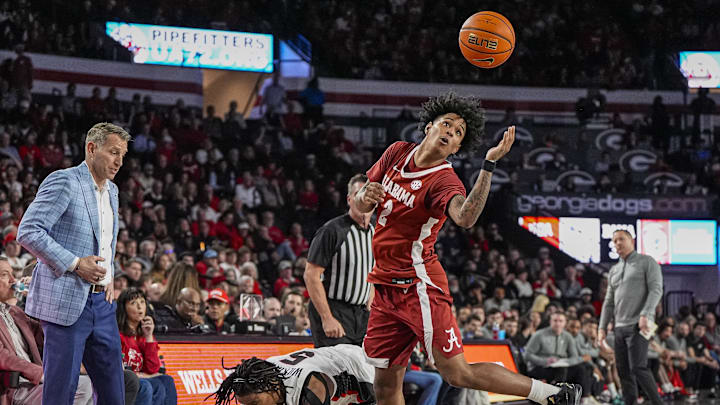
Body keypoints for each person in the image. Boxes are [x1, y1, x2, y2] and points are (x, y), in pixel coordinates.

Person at [355, 92, 580, 405]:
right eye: (447, 124)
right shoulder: (396, 152)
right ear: (429, 126)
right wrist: (366, 197)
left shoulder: (444, 180)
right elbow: (359, 199)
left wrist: (488, 165)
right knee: (385, 386)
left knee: (456, 373)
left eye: (458, 132)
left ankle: (553, 395)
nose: (450, 132)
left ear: (458, 148)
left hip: (418, 284)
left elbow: (465, 217)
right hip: (384, 286)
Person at [17, 122, 130, 404]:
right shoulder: (64, 181)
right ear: (92, 148)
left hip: (102, 305)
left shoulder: (113, 191)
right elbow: (28, 231)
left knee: (115, 395)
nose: (119, 161)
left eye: (123, 155)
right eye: (114, 152)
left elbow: (106, 241)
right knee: (60, 395)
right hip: (65, 303)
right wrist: (76, 263)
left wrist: (111, 275)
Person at [0, 257, 93, 405]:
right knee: (82, 387)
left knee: (92, 385)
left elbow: (48, 336)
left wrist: (40, 298)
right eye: (5, 275)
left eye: (12, 273)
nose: (13, 279)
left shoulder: (16, 312)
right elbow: (3, 357)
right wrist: (40, 373)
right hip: (16, 388)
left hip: (36, 383)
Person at [305, 173, 374, 347]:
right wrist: (327, 318)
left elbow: (374, 272)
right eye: (359, 195)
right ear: (350, 199)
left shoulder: (376, 233)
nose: (364, 200)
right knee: (337, 371)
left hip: (360, 315)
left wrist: (370, 305)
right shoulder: (333, 230)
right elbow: (311, 275)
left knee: (363, 371)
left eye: (369, 196)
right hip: (334, 309)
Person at [598, 229, 663, 405]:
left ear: (632, 240)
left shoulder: (647, 262)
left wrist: (646, 314)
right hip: (619, 327)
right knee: (623, 370)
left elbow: (656, 290)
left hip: (640, 325)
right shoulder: (614, 270)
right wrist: (601, 328)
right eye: (614, 241)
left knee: (638, 367)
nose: (617, 243)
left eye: (621, 239)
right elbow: (608, 302)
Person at [210, 344, 375, 405]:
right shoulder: (262, 373)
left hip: (362, 371)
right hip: (330, 356)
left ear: (272, 387)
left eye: (255, 404)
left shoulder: (309, 387)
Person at [116, 288, 177, 405]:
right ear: (124, 308)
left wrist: (149, 336)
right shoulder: (118, 334)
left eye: (142, 302)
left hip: (141, 378)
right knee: (147, 385)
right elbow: (121, 368)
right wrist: (145, 375)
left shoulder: (144, 334)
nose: (140, 307)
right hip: (124, 380)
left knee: (167, 380)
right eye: (133, 303)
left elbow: (153, 368)